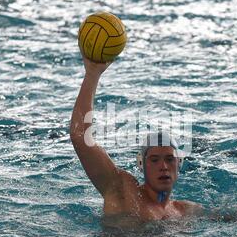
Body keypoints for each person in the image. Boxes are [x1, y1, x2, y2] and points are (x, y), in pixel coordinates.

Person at [70, 57, 203, 221]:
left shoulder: (185, 211)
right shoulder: (125, 192)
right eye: (154, 160)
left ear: (179, 164)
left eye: (170, 159)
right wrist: (92, 74)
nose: (163, 166)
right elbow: (80, 136)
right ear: (141, 164)